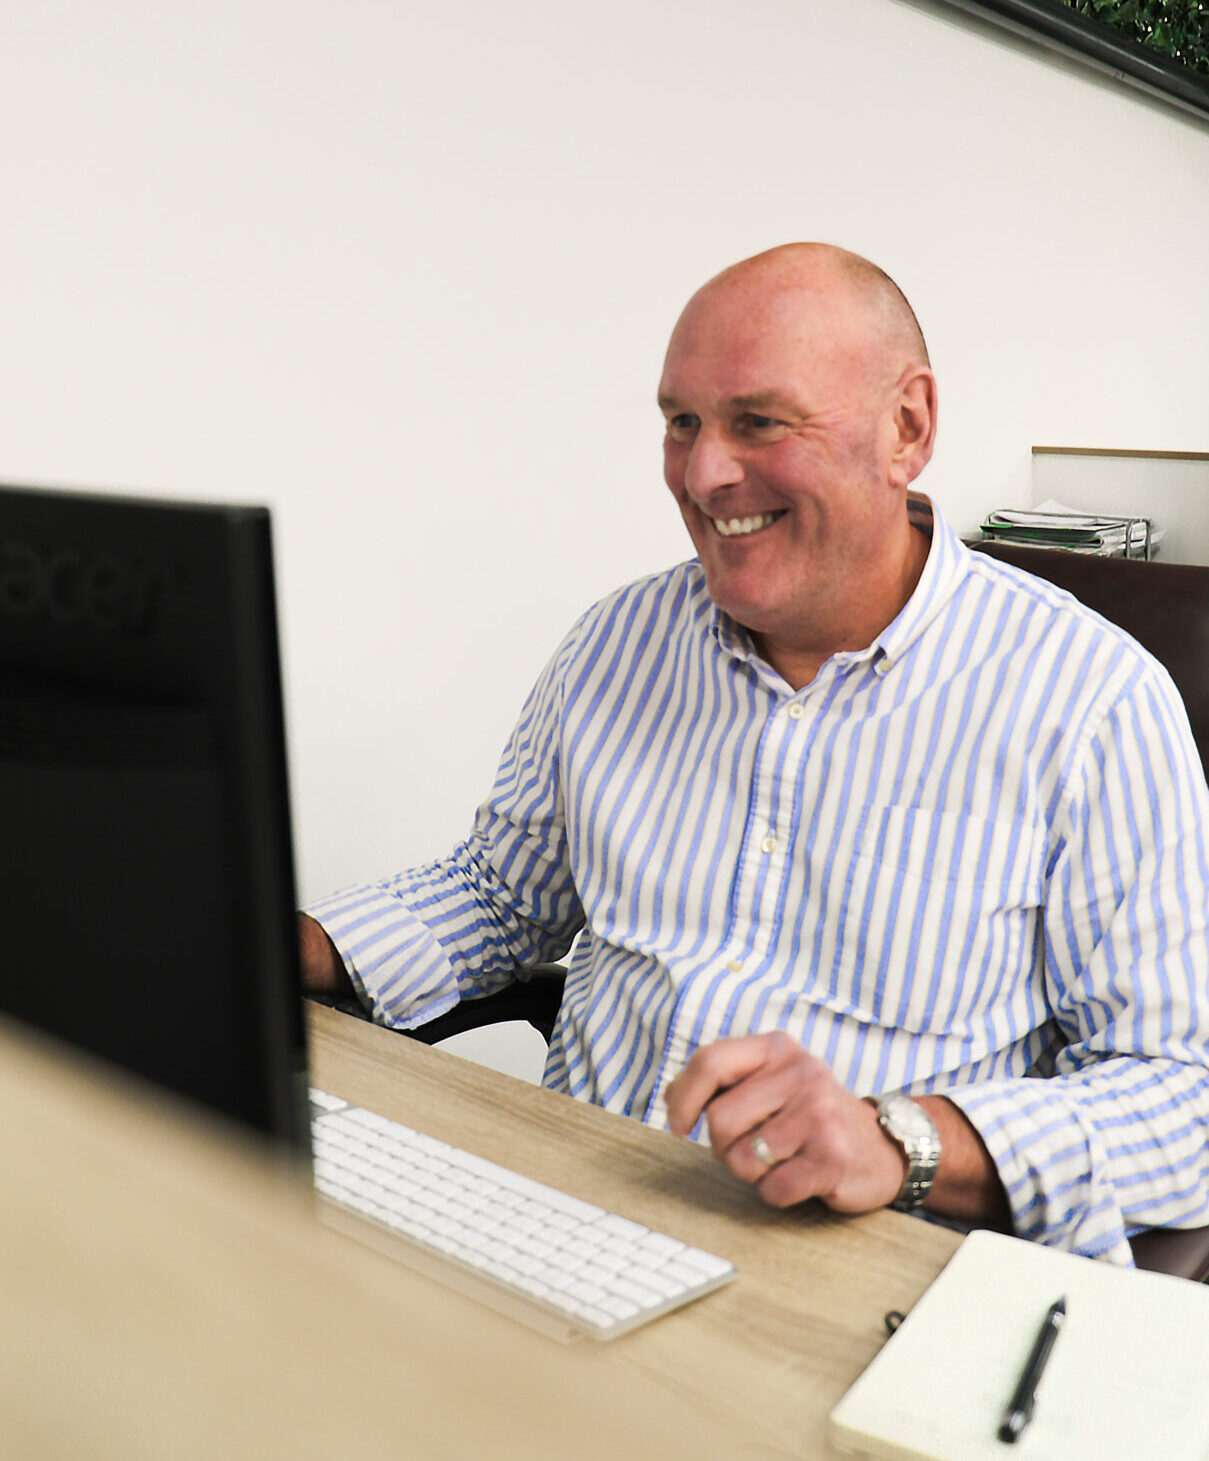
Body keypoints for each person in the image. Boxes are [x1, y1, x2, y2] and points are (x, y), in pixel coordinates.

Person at [300, 243, 1209, 1265]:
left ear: (905, 426)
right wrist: (296, 944)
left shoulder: (1092, 703)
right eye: (681, 422)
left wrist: (903, 1138)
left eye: (758, 422)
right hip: (567, 1219)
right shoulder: (618, 643)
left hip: (870, 1269)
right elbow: (502, 897)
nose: (702, 473)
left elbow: (1180, 1096)